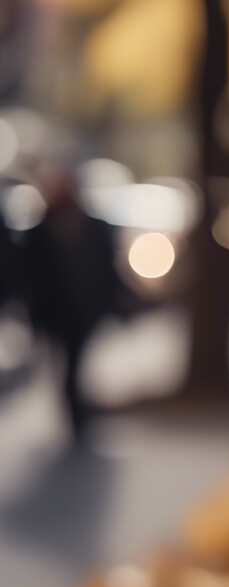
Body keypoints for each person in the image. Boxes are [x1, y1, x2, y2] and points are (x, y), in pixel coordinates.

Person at [19, 171, 120, 439]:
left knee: (75, 362)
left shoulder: (92, 225)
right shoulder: (41, 228)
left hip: (84, 308)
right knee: (66, 363)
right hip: (56, 310)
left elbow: (107, 267)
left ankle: (77, 409)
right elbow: (29, 274)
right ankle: (76, 410)